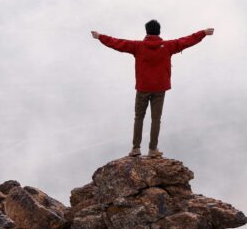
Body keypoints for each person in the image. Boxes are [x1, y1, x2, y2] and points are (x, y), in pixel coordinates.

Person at [91, 20, 214, 158]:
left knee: (139, 117)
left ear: (147, 32)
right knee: (156, 119)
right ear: (159, 31)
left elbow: (118, 43)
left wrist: (100, 37)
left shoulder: (137, 46)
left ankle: (136, 148)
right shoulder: (168, 46)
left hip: (143, 88)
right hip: (160, 89)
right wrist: (203, 33)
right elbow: (186, 41)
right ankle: (152, 149)